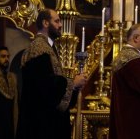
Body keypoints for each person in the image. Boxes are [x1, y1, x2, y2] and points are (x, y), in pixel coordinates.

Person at [16, 9, 87, 139]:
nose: (60, 25)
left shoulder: (47, 48)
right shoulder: (39, 49)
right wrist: (73, 83)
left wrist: (74, 86)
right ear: (45, 23)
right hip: (41, 126)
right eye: (57, 21)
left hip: (45, 123)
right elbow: (47, 88)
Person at [0, 46, 17, 139]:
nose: (6, 59)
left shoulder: (12, 77)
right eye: (3, 56)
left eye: (8, 56)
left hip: (9, 121)